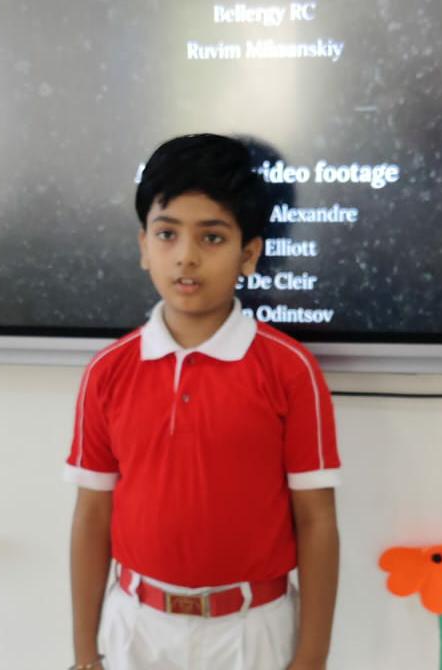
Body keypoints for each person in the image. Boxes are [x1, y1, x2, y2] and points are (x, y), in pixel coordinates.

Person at [65, 133, 341, 670]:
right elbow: (92, 514)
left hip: (252, 631)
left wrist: (312, 657)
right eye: (167, 234)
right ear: (144, 245)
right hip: (137, 627)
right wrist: (83, 654)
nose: (186, 257)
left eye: (212, 238)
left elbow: (317, 520)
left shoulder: (290, 370)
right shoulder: (108, 371)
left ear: (249, 254)